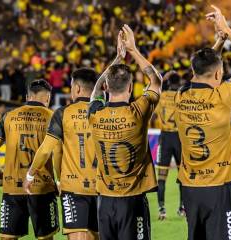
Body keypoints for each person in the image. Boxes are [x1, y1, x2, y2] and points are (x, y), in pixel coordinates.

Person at [173, 5, 231, 240]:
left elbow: (200, 70)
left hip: (190, 190)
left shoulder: (181, 96)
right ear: (219, 74)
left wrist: (217, 43)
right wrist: (227, 31)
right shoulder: (222, 96)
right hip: (219, 188)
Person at [88, 25, 162, 240]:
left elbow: (95, 89)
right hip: (133, 199)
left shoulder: (95, 114)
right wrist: (133, 50)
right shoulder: (138, 111)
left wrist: (118, 59)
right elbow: (156, 81)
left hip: (105, 200)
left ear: (107, 89)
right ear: (130, 88)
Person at [24, 68, 100, 240]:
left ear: (78, 89)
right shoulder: (105, 112)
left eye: (72, 86)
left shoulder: (63, 113)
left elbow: (46, 150)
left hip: (73, 187)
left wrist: (30, 175)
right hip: (103, 188)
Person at [0, 79, 59, 240]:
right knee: (46, 237)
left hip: (12, 186)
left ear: (27, 96)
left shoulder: (9, 116)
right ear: (47, 98)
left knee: (7, 237)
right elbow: (58, 152)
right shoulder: (53, 117)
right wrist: (59, 181)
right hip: (42, 186)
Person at [154, 70, 185, 220]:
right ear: (178, 83)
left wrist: (163, 80)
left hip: (165, 138)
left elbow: (156, 84)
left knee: (161, 177)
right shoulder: (183, 97)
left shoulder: (161, 96)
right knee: (183, 176)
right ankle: (182, 208)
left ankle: (161, 210)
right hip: (179, 138)